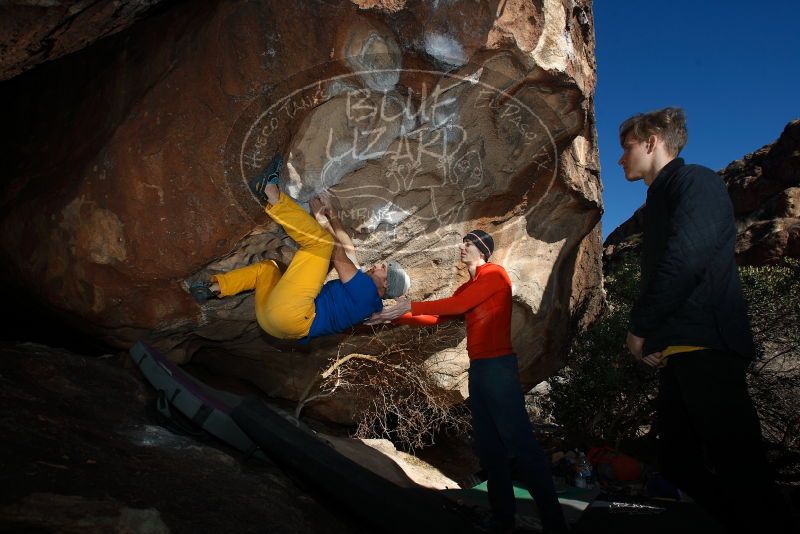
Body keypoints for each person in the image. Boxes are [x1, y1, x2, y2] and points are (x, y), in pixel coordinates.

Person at [619, 107, 793, 532]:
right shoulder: (662, 196)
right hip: (682, 351)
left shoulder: (695, 180)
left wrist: (640, 328)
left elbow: (687, 258)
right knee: (678, 463)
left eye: (626, 148)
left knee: (741, 466)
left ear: (651, 141)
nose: (621, 159)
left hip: (708, 349)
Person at [367, 230, 568, 534]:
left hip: (499, 368)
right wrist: (393, 317)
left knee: (521, 445)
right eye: (463, 242)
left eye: (469, 243)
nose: (462, 247)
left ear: (483, 249)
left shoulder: (495, 275)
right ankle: (503, 519)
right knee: (490, 449)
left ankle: (555, 523)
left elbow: (458, 307)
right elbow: (439, 317)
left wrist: (410, 306)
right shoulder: (468, 286)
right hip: (480, 371)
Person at [190, 154, 411, 343]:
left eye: (384, 267)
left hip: (294, 315)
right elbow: (348, 248)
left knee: (321, 243)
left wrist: (320, 222)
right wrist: (330, 216)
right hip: (275, 325)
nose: (379, 264)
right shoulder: (365, 299)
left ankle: (269, 190)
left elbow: (336, 251)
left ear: (386, 283)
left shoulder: (366, 292)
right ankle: (213, 288)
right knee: (267, 269)